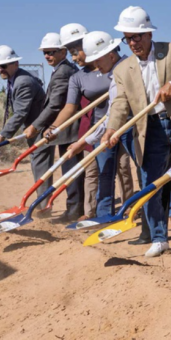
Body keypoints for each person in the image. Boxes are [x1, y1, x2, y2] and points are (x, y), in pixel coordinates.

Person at [106, 6, 171, 258]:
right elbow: (120, 102)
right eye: (128, 38)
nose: (133, 43)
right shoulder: (122, 69)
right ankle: (159, 238)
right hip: (149, 129)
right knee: (152, 184)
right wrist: (112, 128)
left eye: (137, 37)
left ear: (149, 34)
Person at [52, 31, 134, 223]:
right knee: (103, 170)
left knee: (125, 168)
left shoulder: (123, 67)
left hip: (129, 124)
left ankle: (131, 208)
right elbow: (71, 107)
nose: (74, 57)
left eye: (76, 51)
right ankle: (103, 215)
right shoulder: (79, 77)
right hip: (102, 126)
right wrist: (56, 128)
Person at [29, 32, 83, 223]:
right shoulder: (61, 69)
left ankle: (74, 211)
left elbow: (55, 104)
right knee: (69, 170)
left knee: (71, 171)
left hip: (68, 129)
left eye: (51, 51)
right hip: (65, 129)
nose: (47, 56)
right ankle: (74, 208)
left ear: (63, 52)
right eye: (44, 52)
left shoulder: (63, 71)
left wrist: (37, 126)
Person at [0, 45, 49, 199]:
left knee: (40, 167)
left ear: (16, 63)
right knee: (37, 165)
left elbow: (21, 112)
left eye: (3, 65)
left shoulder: (23, 82)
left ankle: (44, 206)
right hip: (33, 129)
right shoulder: (14, 79)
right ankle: (42, 203)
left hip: (40, 129)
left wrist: (2, 135)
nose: (0, 69)